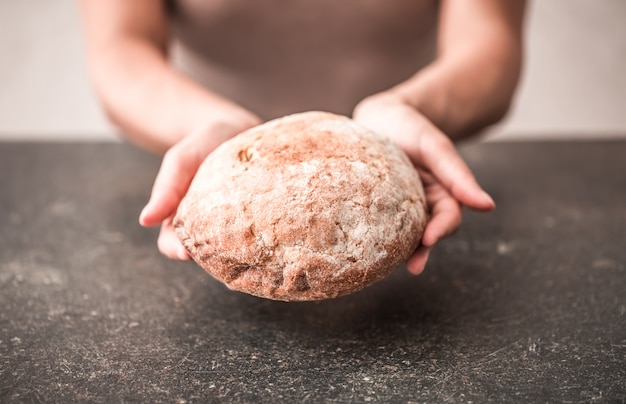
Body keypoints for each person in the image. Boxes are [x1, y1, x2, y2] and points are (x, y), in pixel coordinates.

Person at [79, 0, 526, 275]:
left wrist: (409, 109)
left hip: (390, 159)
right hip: (222, 169)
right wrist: (209, 124)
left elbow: (489, 42)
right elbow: (120, 45)